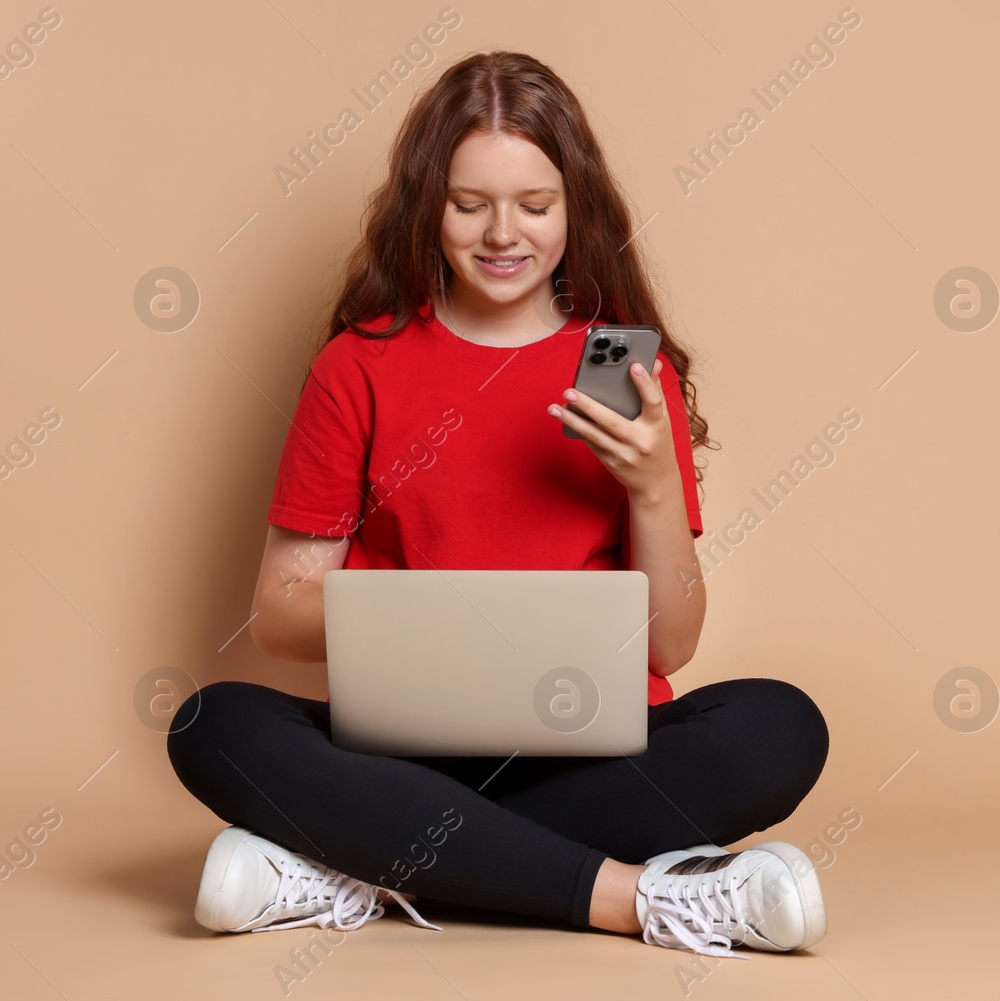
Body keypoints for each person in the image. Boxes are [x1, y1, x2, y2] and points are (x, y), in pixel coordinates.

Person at [166, 50, 830, 960]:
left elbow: (671, 644)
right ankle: (640, 897)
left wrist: (654, 486)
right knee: (217, 723)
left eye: (535, 205)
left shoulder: (627, 371)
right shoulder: (359, 364)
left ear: (576, 207)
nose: (501, 234)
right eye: (469, 204)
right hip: (401, 750)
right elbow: (280, 616)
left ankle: (361, 865)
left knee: (778, 725)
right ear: (426, 204)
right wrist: (456, 615)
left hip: (591, 756)